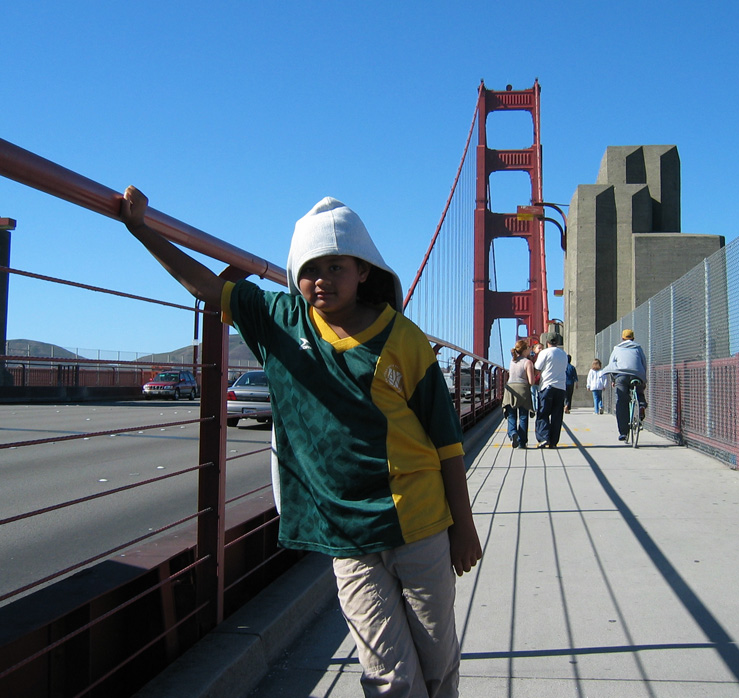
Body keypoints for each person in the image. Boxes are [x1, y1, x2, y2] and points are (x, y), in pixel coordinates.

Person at [120, 187, 482, 697]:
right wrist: (141, 228)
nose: (323, 279)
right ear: (295, 274)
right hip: (346, 534)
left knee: (438, 663)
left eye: (337, 267)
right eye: (311, 268)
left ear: (363, 271)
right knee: (388, 678)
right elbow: (204, 285)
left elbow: (446, 442)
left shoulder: (404, 339)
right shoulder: (279, 321)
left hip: (418, 522)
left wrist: (462, 527)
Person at [601, 329, 647, 442]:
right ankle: (641, 405)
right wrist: (643, 378)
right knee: (639, 392)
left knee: (621, 402)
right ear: (633, 338)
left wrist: (613, 379)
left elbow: (612, 365)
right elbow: (643, 363)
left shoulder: (617, 349)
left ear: (622, 338)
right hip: (637, 374)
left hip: (621, 376)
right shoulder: (638, 348)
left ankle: (623, 433)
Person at [533, 333, 568, 448]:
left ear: (547, 342)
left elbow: (537, 368)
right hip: (561, 387)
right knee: (557, 415)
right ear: (557, 342)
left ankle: (543, 438)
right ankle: (553, 442)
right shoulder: (564, 354)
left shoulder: (545, 352)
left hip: (547, 386)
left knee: (543, 413)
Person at [502, 339, 535, 449]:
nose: (530, 349)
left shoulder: (512, 361)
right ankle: (522, 442)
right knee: (523, 416)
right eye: (529, 348)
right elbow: (531, 381)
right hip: (522, 389)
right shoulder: (528, 362)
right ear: (525, 350)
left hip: (510, 388)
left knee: (511, 415)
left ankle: (512, 433)